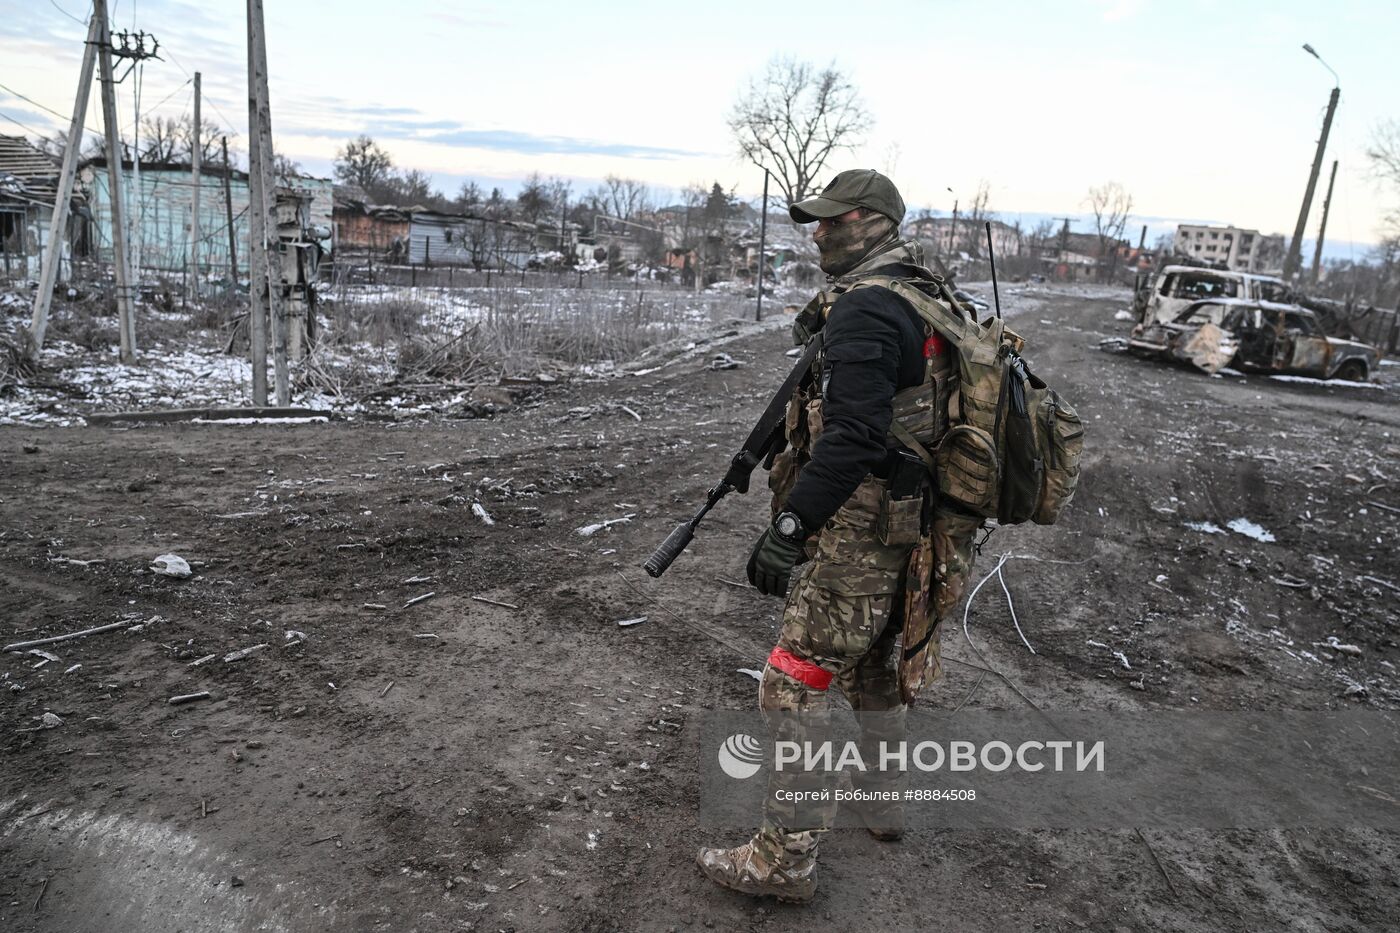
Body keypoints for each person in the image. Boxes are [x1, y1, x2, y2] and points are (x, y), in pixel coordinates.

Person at [697, 169, 983, 902]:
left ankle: (783, 861)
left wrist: (793, 525)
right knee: (874, 660)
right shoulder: (929, 290)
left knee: (795, 681)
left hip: (864, 522)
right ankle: (882, 799)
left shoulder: (868, 307)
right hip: (920, 517)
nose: (818, 233)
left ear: (873, 221)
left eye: (831, 220)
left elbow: (852, 434)